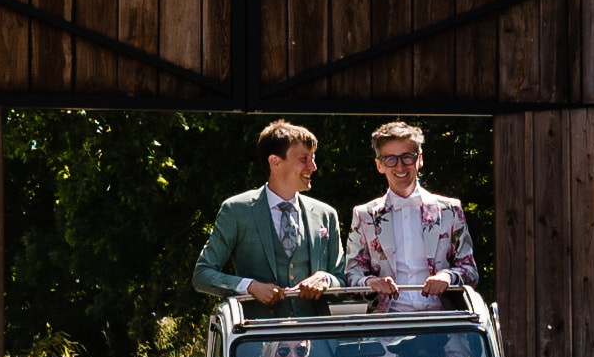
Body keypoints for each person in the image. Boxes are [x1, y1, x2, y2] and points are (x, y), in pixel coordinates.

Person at [196, 122, 355, 307]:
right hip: (258, 333)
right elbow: (203, 274)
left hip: (314, 332)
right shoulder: (236, 210)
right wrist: (250, 286)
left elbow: (342, 280)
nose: (313, 167)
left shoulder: (326, 215)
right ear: (275, 162)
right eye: (304, 159)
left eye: (313, 158)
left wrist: (325, 279)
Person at [353, 121, 478, 300]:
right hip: (386, 320)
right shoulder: (364, 215)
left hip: (442, 318)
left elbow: (471, 271)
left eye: (407, 157)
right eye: (390, 159)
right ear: (379, 165)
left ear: (419, 159)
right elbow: (352, 274)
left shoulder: (450, 210)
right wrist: (371, 283)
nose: (400, 166)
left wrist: (448, 277)